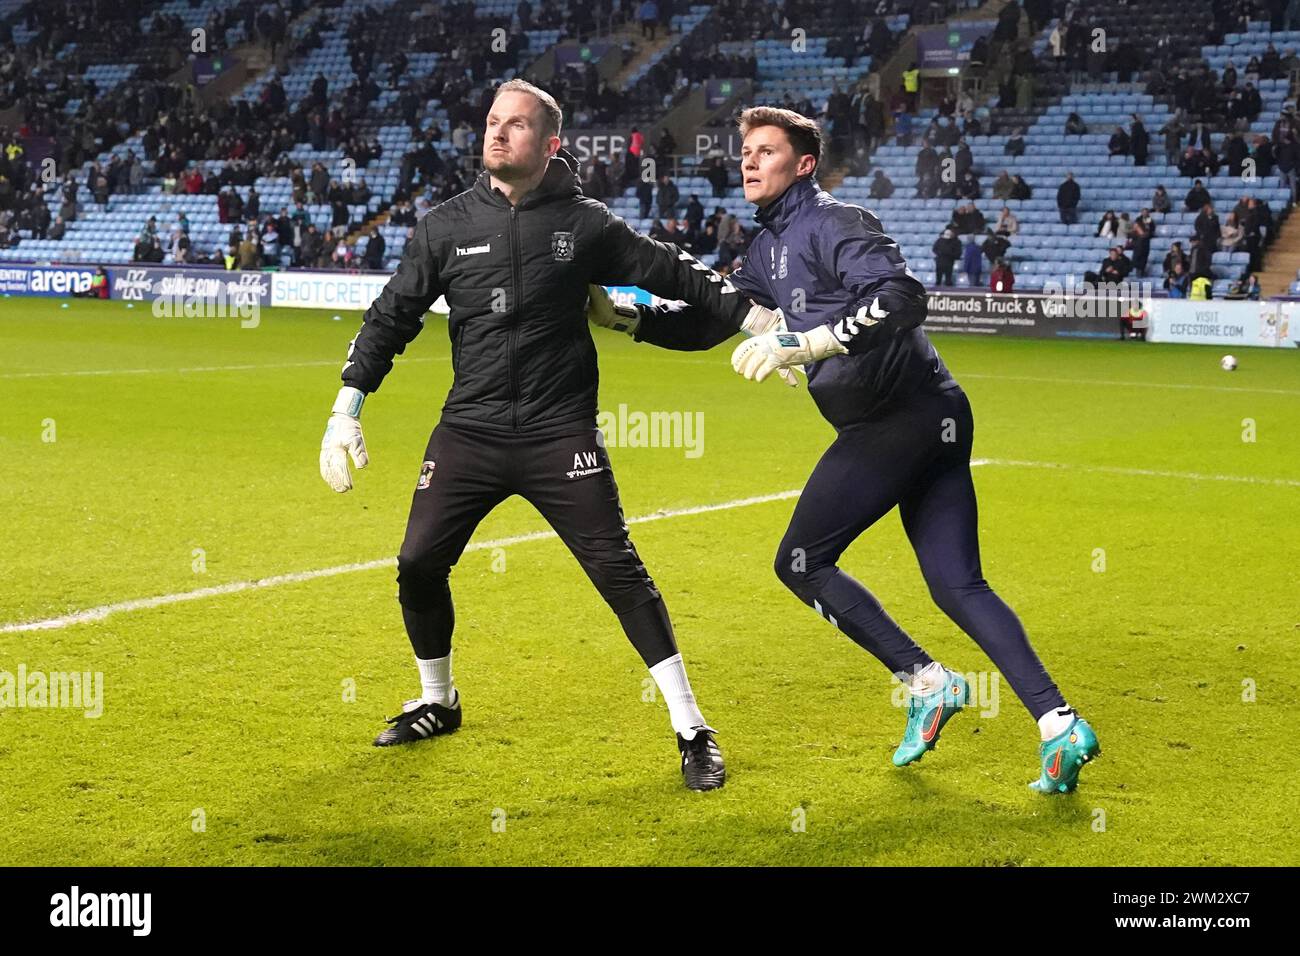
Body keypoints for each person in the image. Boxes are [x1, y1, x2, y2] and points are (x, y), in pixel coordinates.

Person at [591, 106, 1100, 794]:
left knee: (800, 562)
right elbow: (709, 324)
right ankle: (1059, 725)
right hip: (933, 415)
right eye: (745, 150)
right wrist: (618, 314)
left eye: (765, 151)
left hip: (896, 422)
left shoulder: (834, 222)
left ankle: (928, 681)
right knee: (957, 584)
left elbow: (902, 297)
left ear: (803, 164)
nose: (747, 161)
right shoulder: (766, 248)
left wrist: (809, 342)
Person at [317, 80, 784, 789]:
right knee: (416, 565)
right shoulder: (444, 226)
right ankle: (438, 702)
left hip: (557, 432)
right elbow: (390, 317)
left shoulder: (586, 224)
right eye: (492, 123)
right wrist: (345, 409)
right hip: (468, 433)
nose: (498, 135)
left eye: (516, 126)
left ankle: (692, 730)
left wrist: (760, 324)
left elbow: (674, 272)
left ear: (551, 144)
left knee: (619, 573)